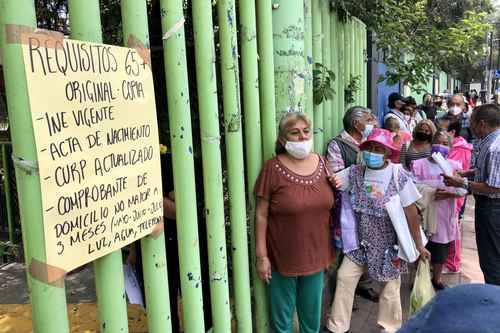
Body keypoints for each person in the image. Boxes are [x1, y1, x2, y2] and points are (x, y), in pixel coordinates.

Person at [325, 128, 430, 333]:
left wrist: (419, 245)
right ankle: (338, 326)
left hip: (388, 246)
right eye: (370, 148)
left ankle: (389, 328)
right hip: (359, 242)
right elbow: (333, 181)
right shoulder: (354, 172)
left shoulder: (398, 174)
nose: (373, 152)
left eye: (378, 148)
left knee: (390, 289)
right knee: (345, 277)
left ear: (387, 152)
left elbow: (411, 213)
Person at [255, 112, 335, 333]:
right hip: (283, 258)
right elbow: (261, 214)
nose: (302, 137)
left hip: (317, 255)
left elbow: (333, 202)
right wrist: (262, 257)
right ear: (283, 139)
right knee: (282, 322)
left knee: (311, 319)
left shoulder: (322, 163)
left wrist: (337, 184)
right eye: (294, 132)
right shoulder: (273, 168)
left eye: (306, 131)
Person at [326, 106, 380, 306]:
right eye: (369, 118)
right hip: (347, 208)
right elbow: (337, 177)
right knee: (344, 252)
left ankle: (362, 285)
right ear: (357, 124)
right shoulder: (337, 145)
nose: (373, 120)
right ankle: (340, 300)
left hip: (369, 205)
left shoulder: (371, 143)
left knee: (366, 245)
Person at [443, 104, 500, 285]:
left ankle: (494, 302)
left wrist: (462, 183)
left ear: (482, 124)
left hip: (492, 208)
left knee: (491, 259)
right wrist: (468, 173)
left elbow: (495, 187)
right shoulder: (490, 142)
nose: (471, 128)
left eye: (472, 123)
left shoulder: (495, 147)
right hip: (488, 207)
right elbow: (487, 170)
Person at [411, 130, 467, 290]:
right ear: (430, 143)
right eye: (438, 142)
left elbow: (463, 189)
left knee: (441, 251)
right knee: (421, 246)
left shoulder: (454, 166)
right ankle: (420, 279)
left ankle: (437, 279)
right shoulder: (419, 164)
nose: (440, 146)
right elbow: (411, 187)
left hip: (444, 216)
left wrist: (449, 193)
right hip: (423, 215)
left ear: (450, 148)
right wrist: (429, 192)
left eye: (445, 144)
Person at [444, 119, 472, 273]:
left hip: (454, 194)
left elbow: (453, 172)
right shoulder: (457, 146)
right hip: (452, 193)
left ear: (452, 132)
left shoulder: (459, 149)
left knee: (453, 228)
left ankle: (452, 264)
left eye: (443, 131)